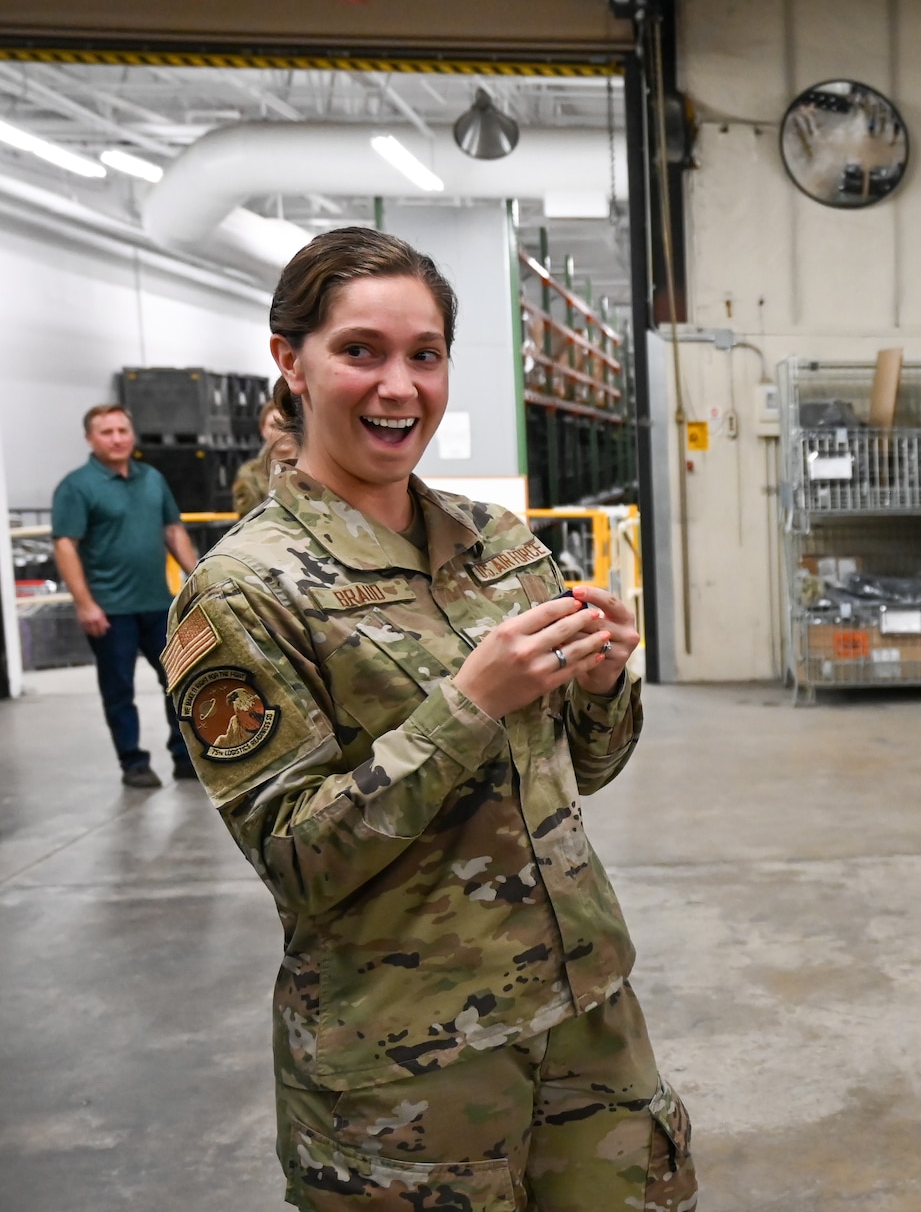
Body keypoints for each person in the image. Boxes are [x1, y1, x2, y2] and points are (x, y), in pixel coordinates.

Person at [161, 228, 695, 1211]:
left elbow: (587, 764)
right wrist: (465, 707)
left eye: (424, 354)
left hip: (585, 1014)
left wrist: (603, 680)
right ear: (291, 360)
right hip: (410, 1063)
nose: (398, 386)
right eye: (360, 350)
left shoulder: (497, 544)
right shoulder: (240, 593)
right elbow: (294, 854)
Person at [52, 403, 201, 788]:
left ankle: (185, 758)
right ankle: (133, 763)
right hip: (110, 610)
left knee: (180, 679)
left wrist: (201, 580)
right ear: (90, 438)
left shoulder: (151, 478)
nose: (117, 438)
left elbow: (174, 531)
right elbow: (66, 545)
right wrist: (85, 604)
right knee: (119, 689)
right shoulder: (77, 486)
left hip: (158, 605)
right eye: (107, 432)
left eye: (122, 430)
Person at [231, 395, 299, 515]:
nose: (282, 432)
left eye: (288, 424)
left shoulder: (314, 468)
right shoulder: (251, 472)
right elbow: (248, 515)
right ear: (262, 430)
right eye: (274, 425)